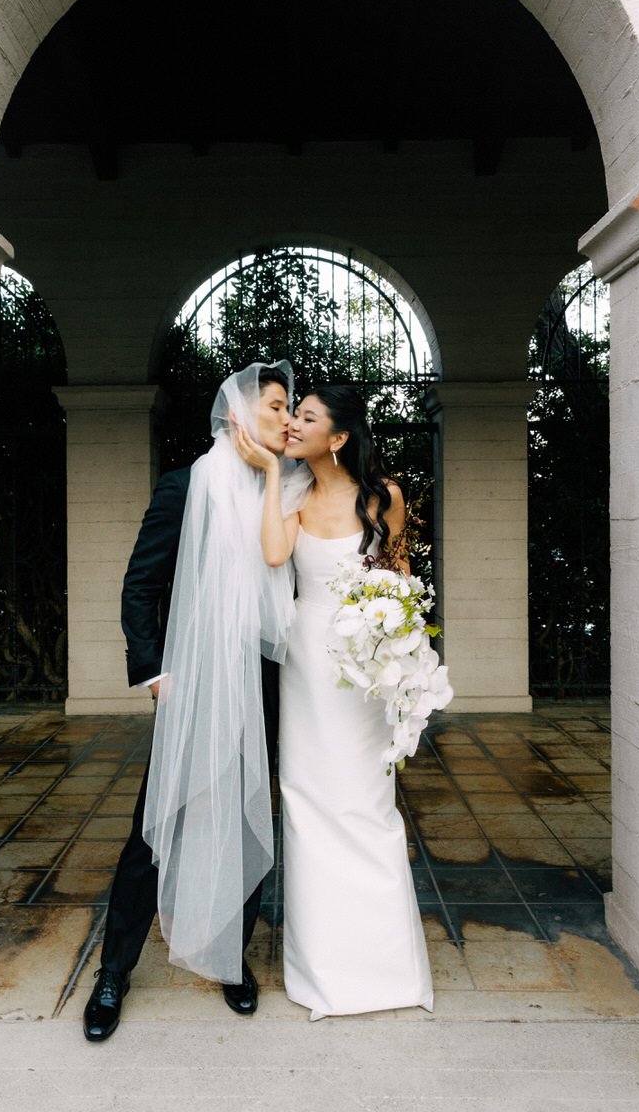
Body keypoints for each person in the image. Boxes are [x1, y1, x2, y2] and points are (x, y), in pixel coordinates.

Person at [83, 362, 303, 1042]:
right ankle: (114, 972)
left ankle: (232, 961)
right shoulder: (186, 487)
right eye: (273, 406)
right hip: (196, 681)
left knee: (243, 814)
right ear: (239, 413)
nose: (286, 416)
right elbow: (139, 585)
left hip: (263, 683)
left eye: (290, 406)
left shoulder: (291, 490)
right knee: (160, 821)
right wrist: (152, 671)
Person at [234, 383, 434, 1020]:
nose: (292, 422)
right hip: (307, 666)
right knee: (308, 803)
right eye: (293, 414)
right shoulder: (293, 491)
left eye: (307, 417)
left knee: (368, 806)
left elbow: (401, 584)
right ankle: (323, 972)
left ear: (339, 437)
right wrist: (270, 473)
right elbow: (273, 553)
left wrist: (398, 657)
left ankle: (387, 971)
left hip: (365, 669)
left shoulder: (385, 498)